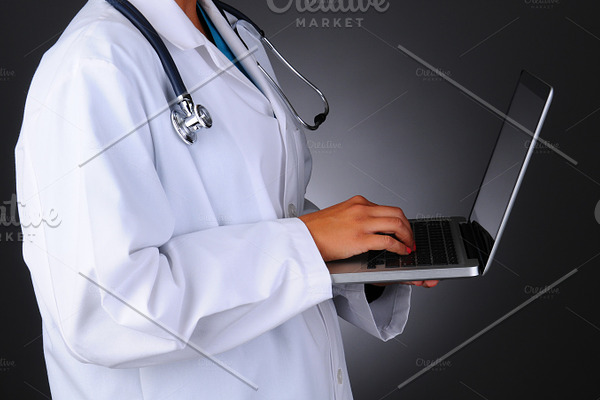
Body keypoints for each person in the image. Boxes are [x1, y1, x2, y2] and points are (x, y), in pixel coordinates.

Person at [15, 0, 437, 398]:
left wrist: (361, 259)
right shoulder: (90, 67)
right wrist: (308, 243)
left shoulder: (231, 33)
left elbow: (260, 214)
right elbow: (106, 311)